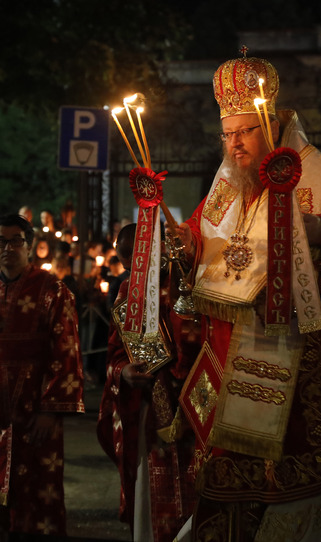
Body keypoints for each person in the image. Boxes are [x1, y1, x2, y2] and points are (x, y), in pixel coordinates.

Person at [170, 54, 321, 540]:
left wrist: (316, 227)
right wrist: (180, 243)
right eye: (226, 134)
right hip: (227, 346)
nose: (234, 144)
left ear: (269, 125)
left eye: (243, 131)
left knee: (288, 461)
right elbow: (198, 233)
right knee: (228, 470)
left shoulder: (312, 173)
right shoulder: (228, 182)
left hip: (293, 350)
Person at [0, 214, 85, 536]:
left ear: (30, 245)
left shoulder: (53, 290)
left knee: (35, 493)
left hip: (35, 409)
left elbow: (65, 349)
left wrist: (51, 410)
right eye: (1, 242)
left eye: (16, 241)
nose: (8, 248)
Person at [97, 223, 199, 542]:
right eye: (134, 258)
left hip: (197, 406)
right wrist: (125, 371)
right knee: (154, 503)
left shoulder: (192, 281)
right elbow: (115, 353)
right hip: (152, 409)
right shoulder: (129, 290)